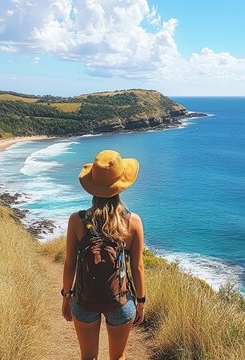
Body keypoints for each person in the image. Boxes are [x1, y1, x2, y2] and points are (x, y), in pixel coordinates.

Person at [61, 149, 147, 360]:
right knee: (118, 357)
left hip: (83, 299)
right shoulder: (132, 221)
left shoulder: (77, 220)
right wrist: (141, 302)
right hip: (120, 301)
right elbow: (137, 267)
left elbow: (70, 264)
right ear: (121, 186)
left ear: (92, 186)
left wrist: (66, 297)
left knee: (88, 357)